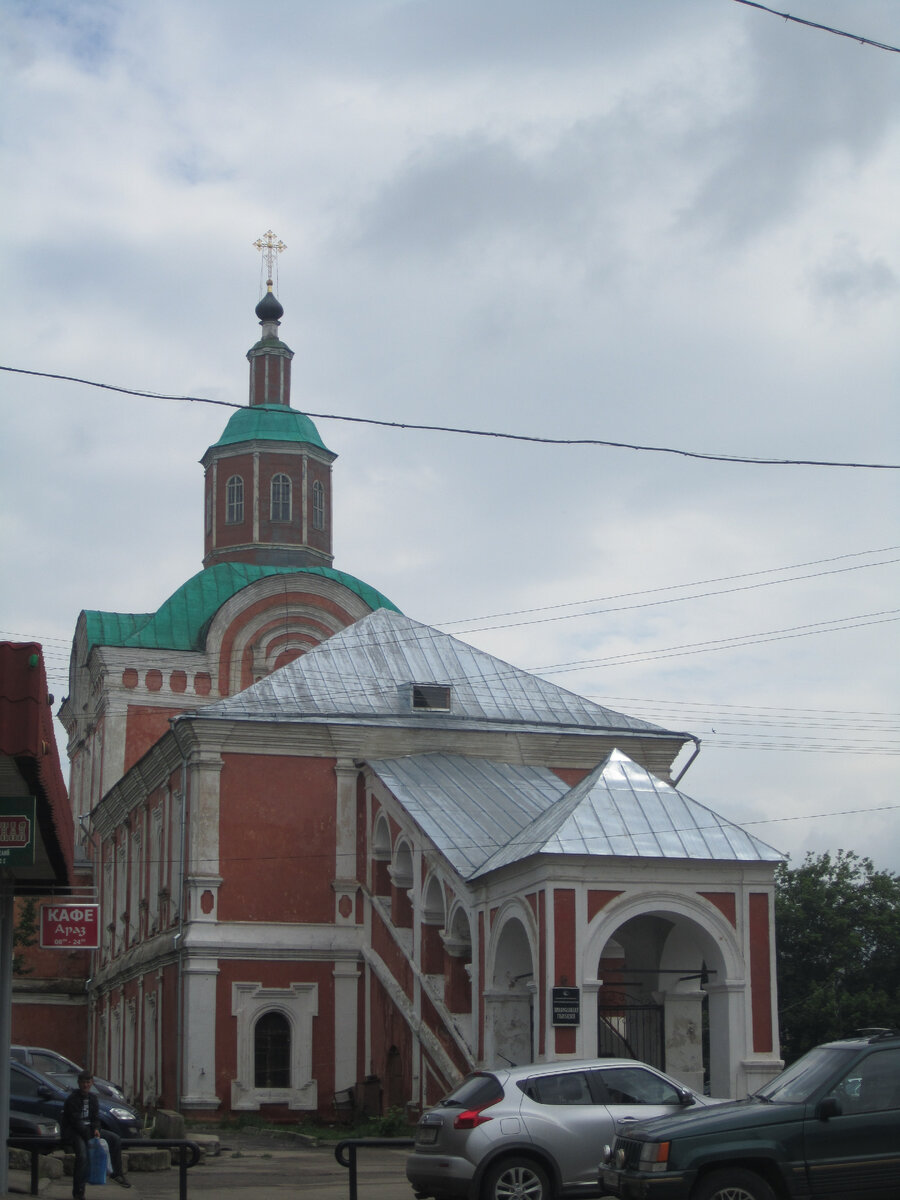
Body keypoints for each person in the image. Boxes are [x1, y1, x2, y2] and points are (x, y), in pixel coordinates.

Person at [60, 1070, 131, 1197]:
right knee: (82, 1156)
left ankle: (117, 1174)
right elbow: (75, 1122)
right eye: (83, 1082)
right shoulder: (72, 1099)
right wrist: (90, 1137)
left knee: (114, 1139)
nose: (85, 1085)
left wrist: (96, 1129)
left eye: (88, 1082)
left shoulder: (93, 1098)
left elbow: (95, 1118)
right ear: (79, 1083)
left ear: (92, 1083)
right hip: (75, 1132)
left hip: (90, 1130)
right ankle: (79, 1191)